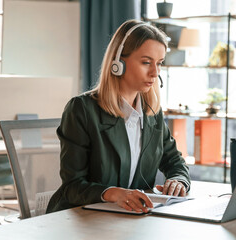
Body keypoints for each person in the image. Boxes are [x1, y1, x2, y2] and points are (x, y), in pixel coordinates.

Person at [46, 19, 190, 214]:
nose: (155, 72)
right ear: (118, 63)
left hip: (126, 218)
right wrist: (113, 194)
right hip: (79, 218)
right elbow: (72, 187)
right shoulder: (82, 109)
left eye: (159, 63)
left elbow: (174, 161)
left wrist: (178, 180)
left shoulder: (151, 112)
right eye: (146, 62)